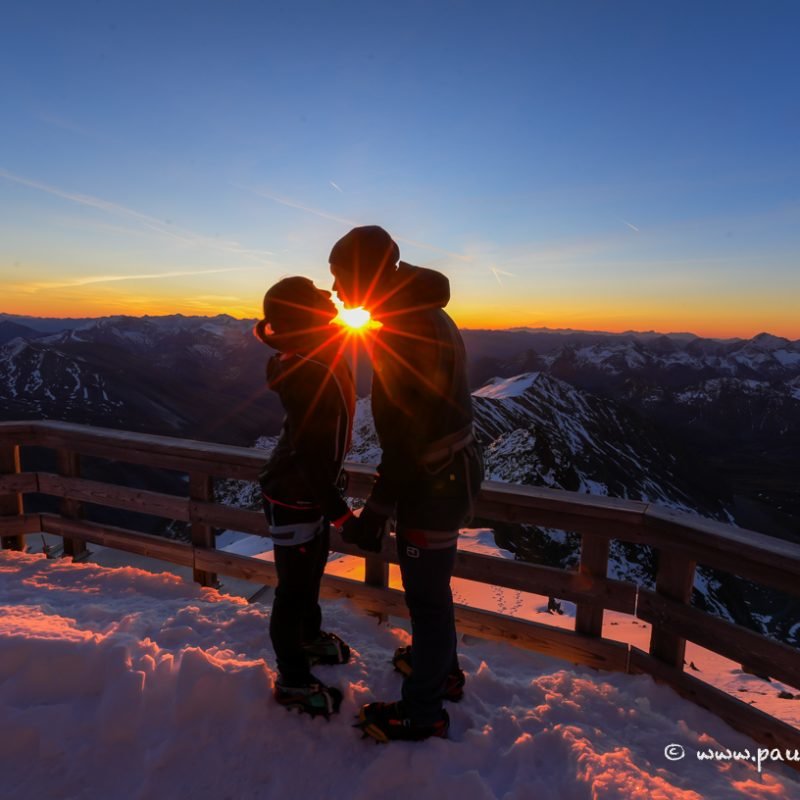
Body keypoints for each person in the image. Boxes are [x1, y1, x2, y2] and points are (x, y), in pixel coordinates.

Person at [330, 225, 484, 742]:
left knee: (427, 600)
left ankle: (424, 711)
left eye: (338, 276)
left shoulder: (401, 329)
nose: (334, 289)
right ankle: (440, 670)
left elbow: (406, 434)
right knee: (432, 593)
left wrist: (377, 510)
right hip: (449, 472)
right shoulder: (423, 311)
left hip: (432, 484)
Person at [254, 276, 356, 718]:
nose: (329, 297)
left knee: (309, 573)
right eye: (318, 297)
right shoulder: (310, 371)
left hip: (301, 491)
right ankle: (293, 678)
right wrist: (341, 514)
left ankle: (309, 638)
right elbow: (311, 454)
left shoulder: (315, 358)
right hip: (296, 495)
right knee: (293, 590)